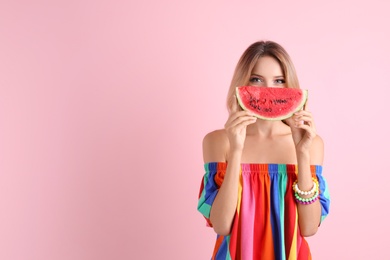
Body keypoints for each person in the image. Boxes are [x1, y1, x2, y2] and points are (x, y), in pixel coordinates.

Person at [197, 41, 330, 259]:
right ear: (242, 84)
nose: (268, 90)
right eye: (256, 79)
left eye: (279, 81)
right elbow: (221, 225)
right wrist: (237, 149)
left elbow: (309, 228)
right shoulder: (217, 141)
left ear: (290, 86)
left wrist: (302, 153)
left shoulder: (312, 144)